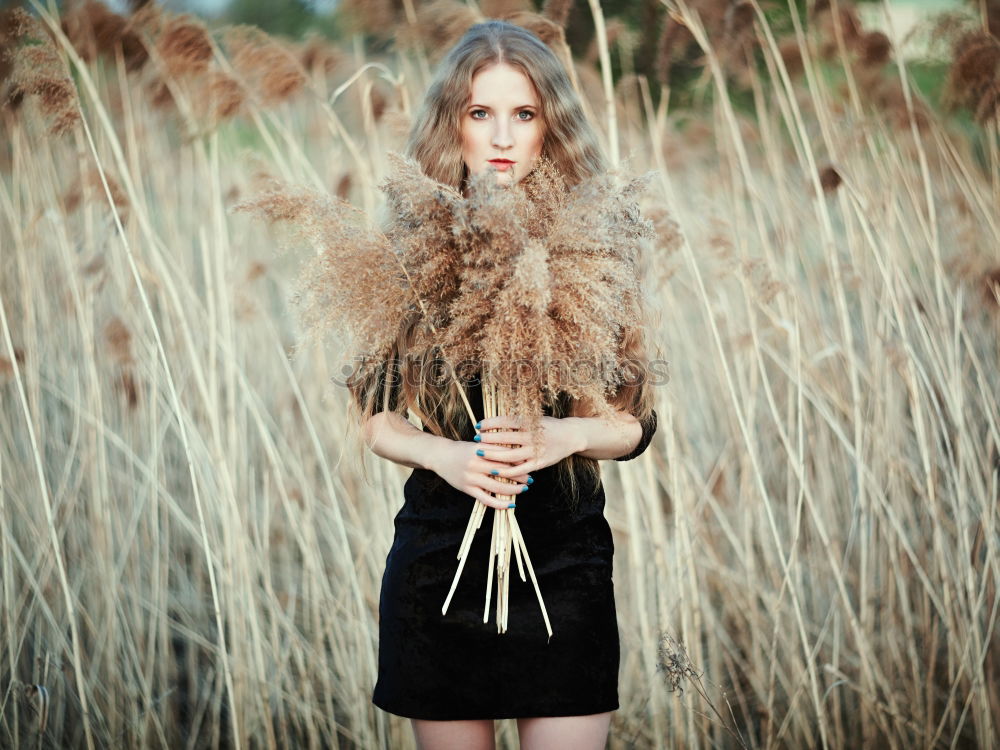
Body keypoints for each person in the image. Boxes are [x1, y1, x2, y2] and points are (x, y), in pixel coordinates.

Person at [351, 19, 658, 750]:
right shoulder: (411, 243)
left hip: (564, 567)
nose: (501, 137)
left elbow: (636, 421)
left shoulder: (594, 242)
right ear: (451, 125)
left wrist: (566, 435)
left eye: (523, 115)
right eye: (479, 114)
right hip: (441, 566)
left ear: (550, 126)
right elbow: (375, 418)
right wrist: (445, 457)